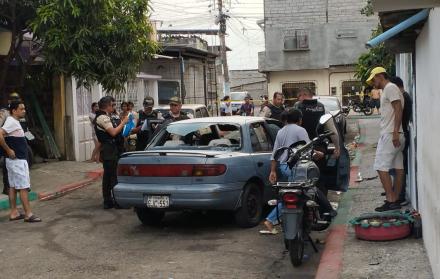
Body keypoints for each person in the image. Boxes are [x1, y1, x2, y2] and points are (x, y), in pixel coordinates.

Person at [260, 109, 329, 234]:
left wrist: (273, 171)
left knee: (291, 193)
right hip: (297, 167)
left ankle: (298, 218)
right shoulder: (300, 130)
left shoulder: (281, 131)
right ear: (299, 119)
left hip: (283, 166)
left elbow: (276, 153)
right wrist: (318, 153)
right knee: (296, 194)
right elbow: (307, 148)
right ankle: (270, 220)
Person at [366, 67, 405, 212]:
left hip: (391, 134)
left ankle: (391, 199)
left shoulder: (390, 88)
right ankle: (395, 198)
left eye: (373, 79)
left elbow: (398, 108)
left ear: (380, 76)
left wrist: (394, 131)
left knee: (380, 167)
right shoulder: (390, 89)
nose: (373, 83)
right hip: (395, 134)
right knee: (398, 167)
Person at [294, 88, 340, 196]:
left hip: (301, 149)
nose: (299, 99)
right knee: (319, 177)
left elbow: (291, 129)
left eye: (299, 96)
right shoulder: (321, 107)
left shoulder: (297, 108)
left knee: (300, 178)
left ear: (303, 95)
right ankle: (322, 206)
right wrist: (337, 147)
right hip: (319, 149)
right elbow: (332, 130)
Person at [0, 100, 41, 222]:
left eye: (24, 108)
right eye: (21, 109)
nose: (24, 111)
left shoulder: (13, 122)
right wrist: (8, 150)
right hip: (17, 160)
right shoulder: (11, 122)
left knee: (12, 186)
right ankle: (28, 214)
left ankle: (14, 212)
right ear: (14, 110)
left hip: (14, 161)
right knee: (23, 187)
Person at [94, 96, 128, 209]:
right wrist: (123, 123)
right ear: (108, 106)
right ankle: (116, 201)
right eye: (112, 105)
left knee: (108, 176)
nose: (114, 107)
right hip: (109, 150)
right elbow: (113, 132)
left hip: (110, 149)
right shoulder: (102, 117)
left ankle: (108, 201)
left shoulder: (106, 116)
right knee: (112, 176)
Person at [390, 76, 412, 206]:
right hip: (401, 134)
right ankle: (396, 191)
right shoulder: (403, 97)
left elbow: (401, 118)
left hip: (402, 135)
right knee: (397, 165)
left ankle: (401, 195)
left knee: (400, 167)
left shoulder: (404, 98)